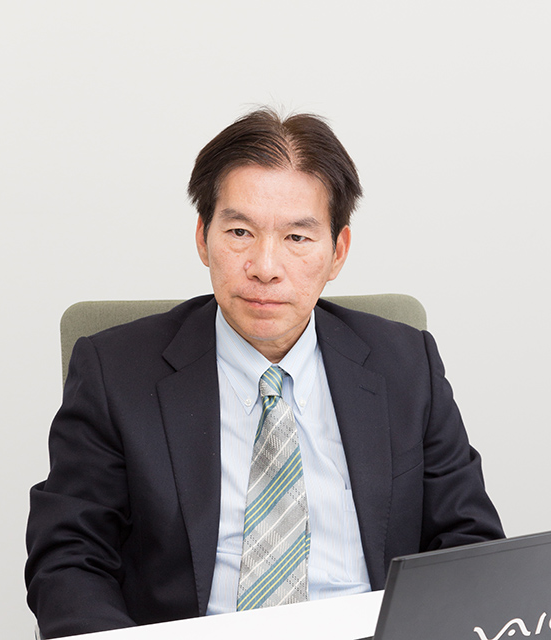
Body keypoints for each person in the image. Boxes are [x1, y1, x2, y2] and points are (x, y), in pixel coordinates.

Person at [26, 108, 504, 638]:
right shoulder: (115, 371)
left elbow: (469, 546)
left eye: (297, 238)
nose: (265, 267)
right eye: (239, 231)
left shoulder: (406, 365)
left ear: (338, 252)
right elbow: (68, 559)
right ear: (203, 237)